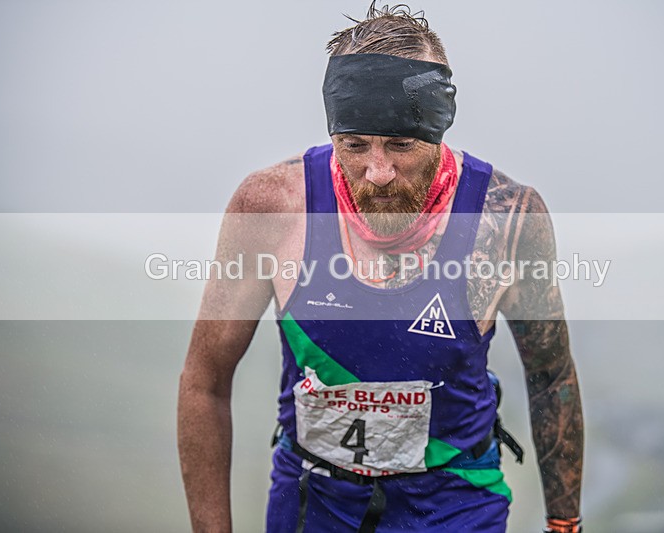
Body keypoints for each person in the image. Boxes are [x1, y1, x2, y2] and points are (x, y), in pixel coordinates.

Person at [178, 3, 584, 532]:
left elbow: (551, 377)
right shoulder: (273, 208)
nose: (379, 172)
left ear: (439, 130)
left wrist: (565, 524)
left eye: (400, 144)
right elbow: (205, 381)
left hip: (453, 502)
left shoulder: (506, 219)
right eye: (354, 144)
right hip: (313, 498)